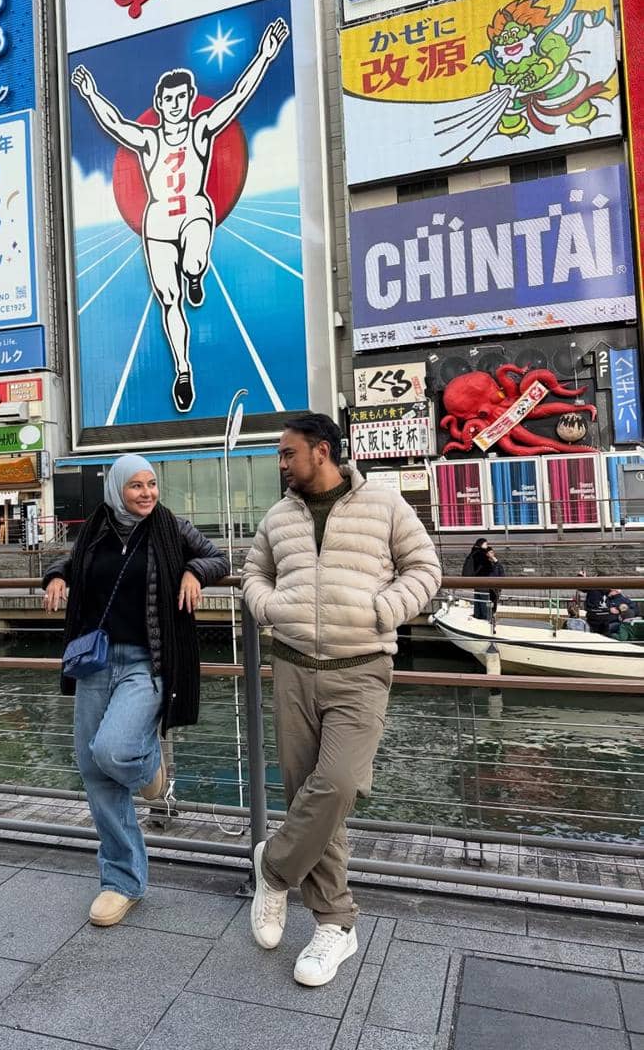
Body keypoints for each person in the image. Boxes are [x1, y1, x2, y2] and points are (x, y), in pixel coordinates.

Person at [242, 413, 441, 988]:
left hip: (361, 670)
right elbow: (255, 571)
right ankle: (335, 923)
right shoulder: (279, 516)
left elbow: (426, 568)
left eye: (287, 454)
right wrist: (269, 608)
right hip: (293, 668)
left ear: (321, 452)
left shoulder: (383, 504)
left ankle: (274, 868)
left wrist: (382, 611)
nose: (281, 464)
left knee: (340, 784)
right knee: (309, 795)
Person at [43, 454, 228, 928]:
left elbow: (218, 557)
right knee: (93, 767)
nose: (146, 494)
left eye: (152, 484)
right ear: (116, 490)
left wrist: (195, 572)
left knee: (115, 749)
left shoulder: (172, 527)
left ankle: (150, 768)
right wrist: (58, 576)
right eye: (136, 487)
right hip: (96, 660)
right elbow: (71, 559)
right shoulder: (97, 526)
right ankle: (121, 880)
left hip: (148, 662)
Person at [70, 17, 288, 414]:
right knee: (169, 300)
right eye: (168, 100)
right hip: (158, 223)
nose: (174, 106)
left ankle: (196, 274)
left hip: (194, 211)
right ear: (160, 104)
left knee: (195, 258)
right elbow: (114, 123)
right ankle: (183, 369)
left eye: (181, 99)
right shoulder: (149, 139)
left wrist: (265, 55)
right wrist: (89, 94)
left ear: (189, 100)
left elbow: (237, 97)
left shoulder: (201, 129)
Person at [461, 537, 491, 620]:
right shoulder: (481, 554)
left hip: (475, 579)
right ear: (481, 545)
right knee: (484, 598)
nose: (487, 546)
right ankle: (486, 618)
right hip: (482, 579)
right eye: (486, 544)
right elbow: (485, 567)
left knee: (478, 598)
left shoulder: (473, 552)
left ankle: (478, 615)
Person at [484, 547, 505, 618]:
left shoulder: (497, 564)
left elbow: (502, 573)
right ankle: (489, 616)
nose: (492, 554)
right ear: (486, 554)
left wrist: (496, 561)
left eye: (493, 552)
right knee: (489, 603)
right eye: (490, 552)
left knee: (494, 603)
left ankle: (493, 615)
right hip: (489, 588)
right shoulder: (486, 564)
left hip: (496, 588)